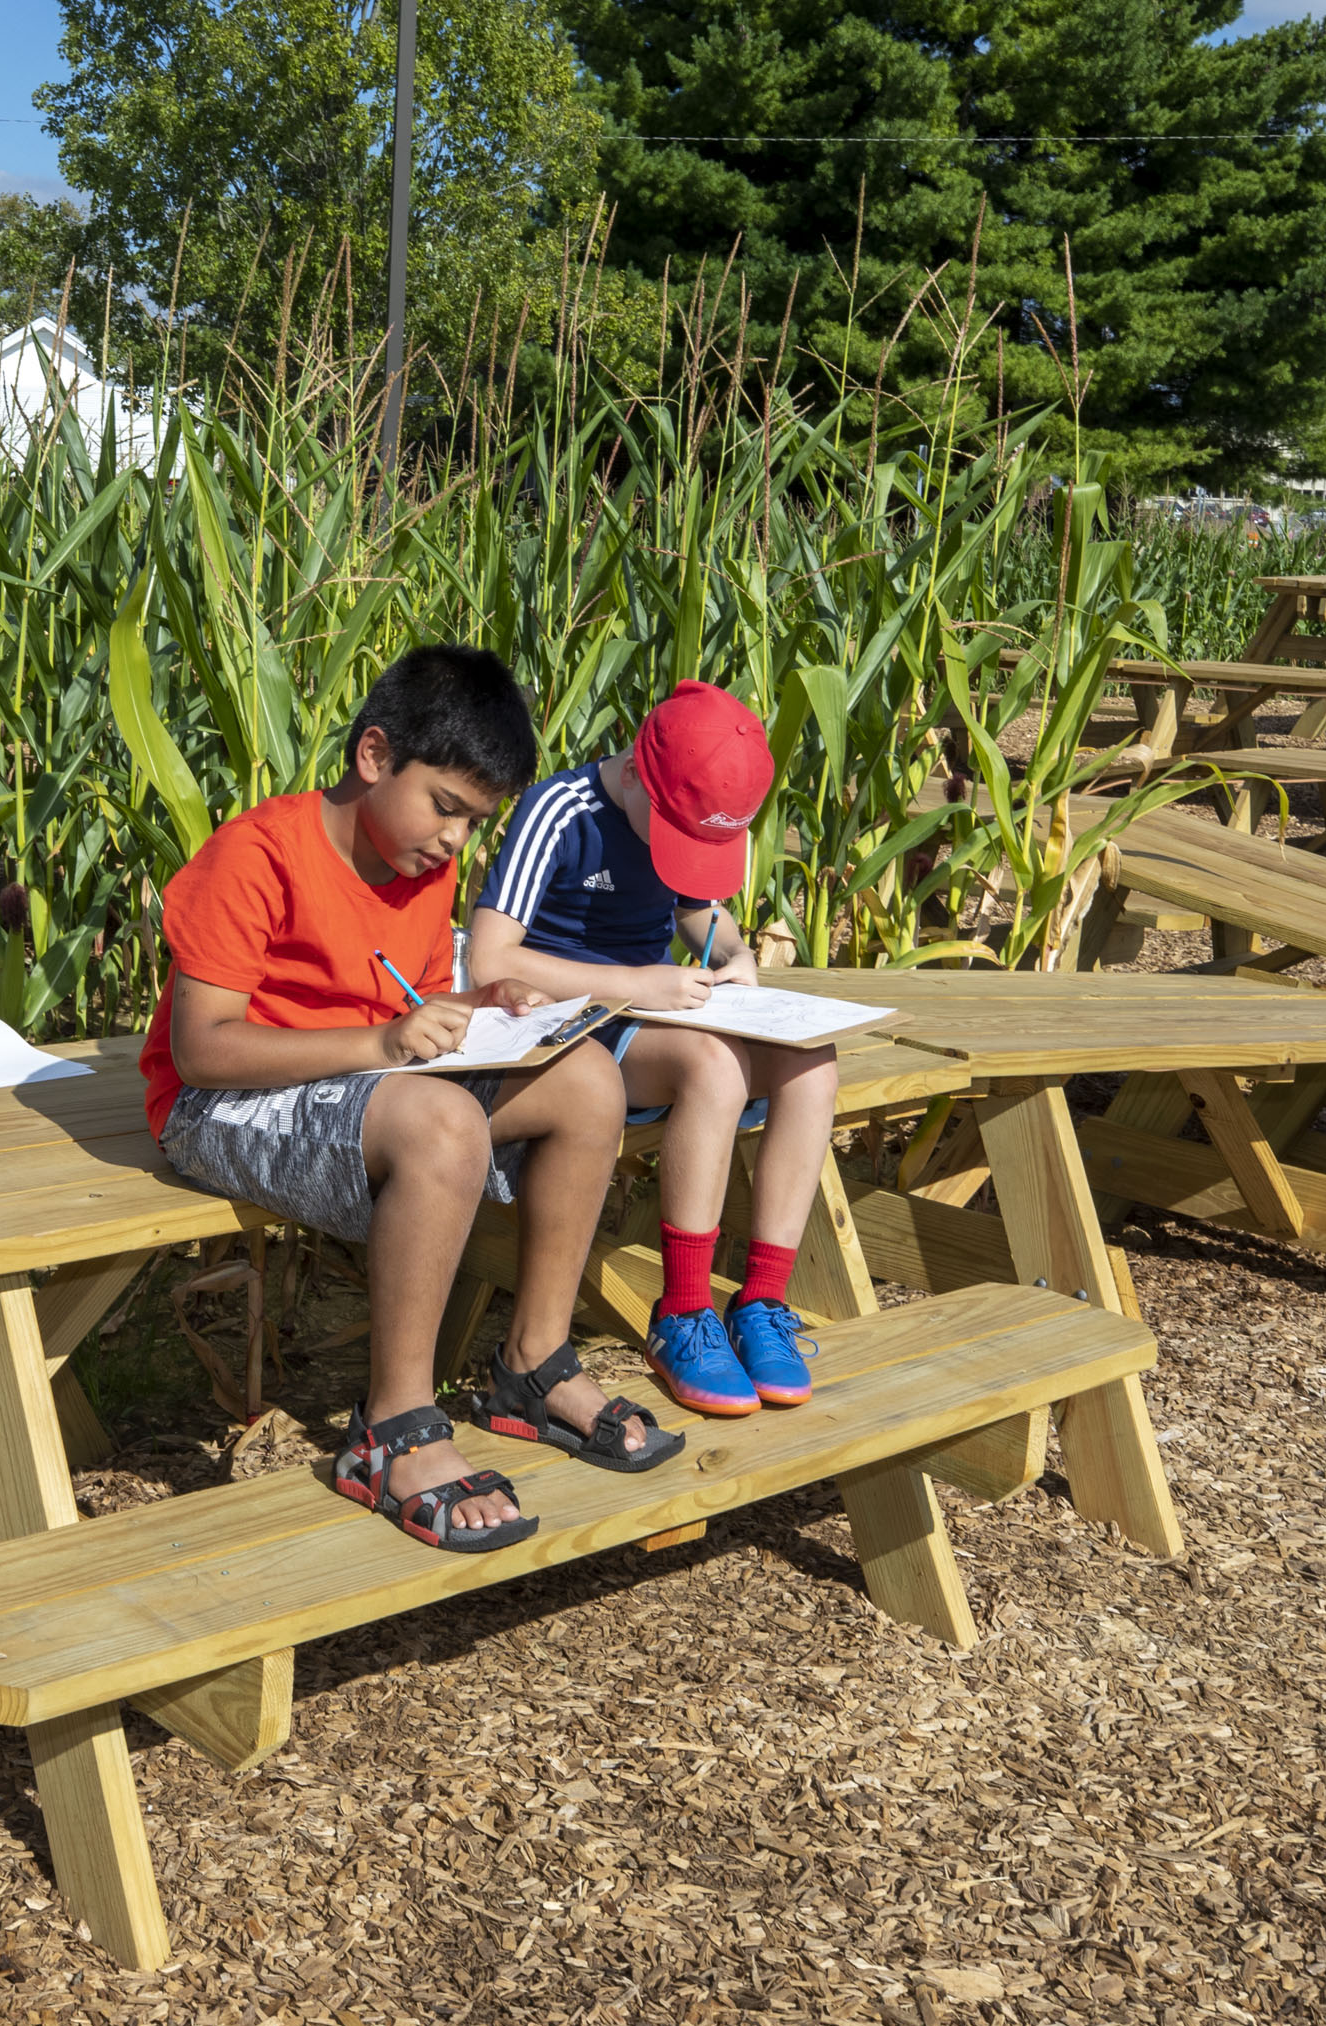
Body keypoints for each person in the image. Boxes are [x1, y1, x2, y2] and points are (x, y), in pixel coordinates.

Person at [143, 645, 681, 1554]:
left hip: (368, 1087)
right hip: (220, 1105)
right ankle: (392, 1426)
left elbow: (411, 1001)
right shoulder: (257, 853)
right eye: (446, 807)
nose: (455, 842)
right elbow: (201, 1051)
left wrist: (482, 1008)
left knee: (588, 1080)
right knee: (443, 1125)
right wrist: (383, 1044)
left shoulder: (419, 867)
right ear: (374, 756)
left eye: (476, 822)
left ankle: (532, 1366)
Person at [466, 681, 836, 1420]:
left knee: (811, 1059)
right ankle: (686, 1311)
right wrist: (633, 983)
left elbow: (700, 909)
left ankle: (763, 1299)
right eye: (677, 834)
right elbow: (489, 957)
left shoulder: (670, 806)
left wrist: (732, 952)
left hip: (658, 1003)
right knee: (712, 1065)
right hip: (573, 1021)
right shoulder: (560, 812)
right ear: (636, 768)